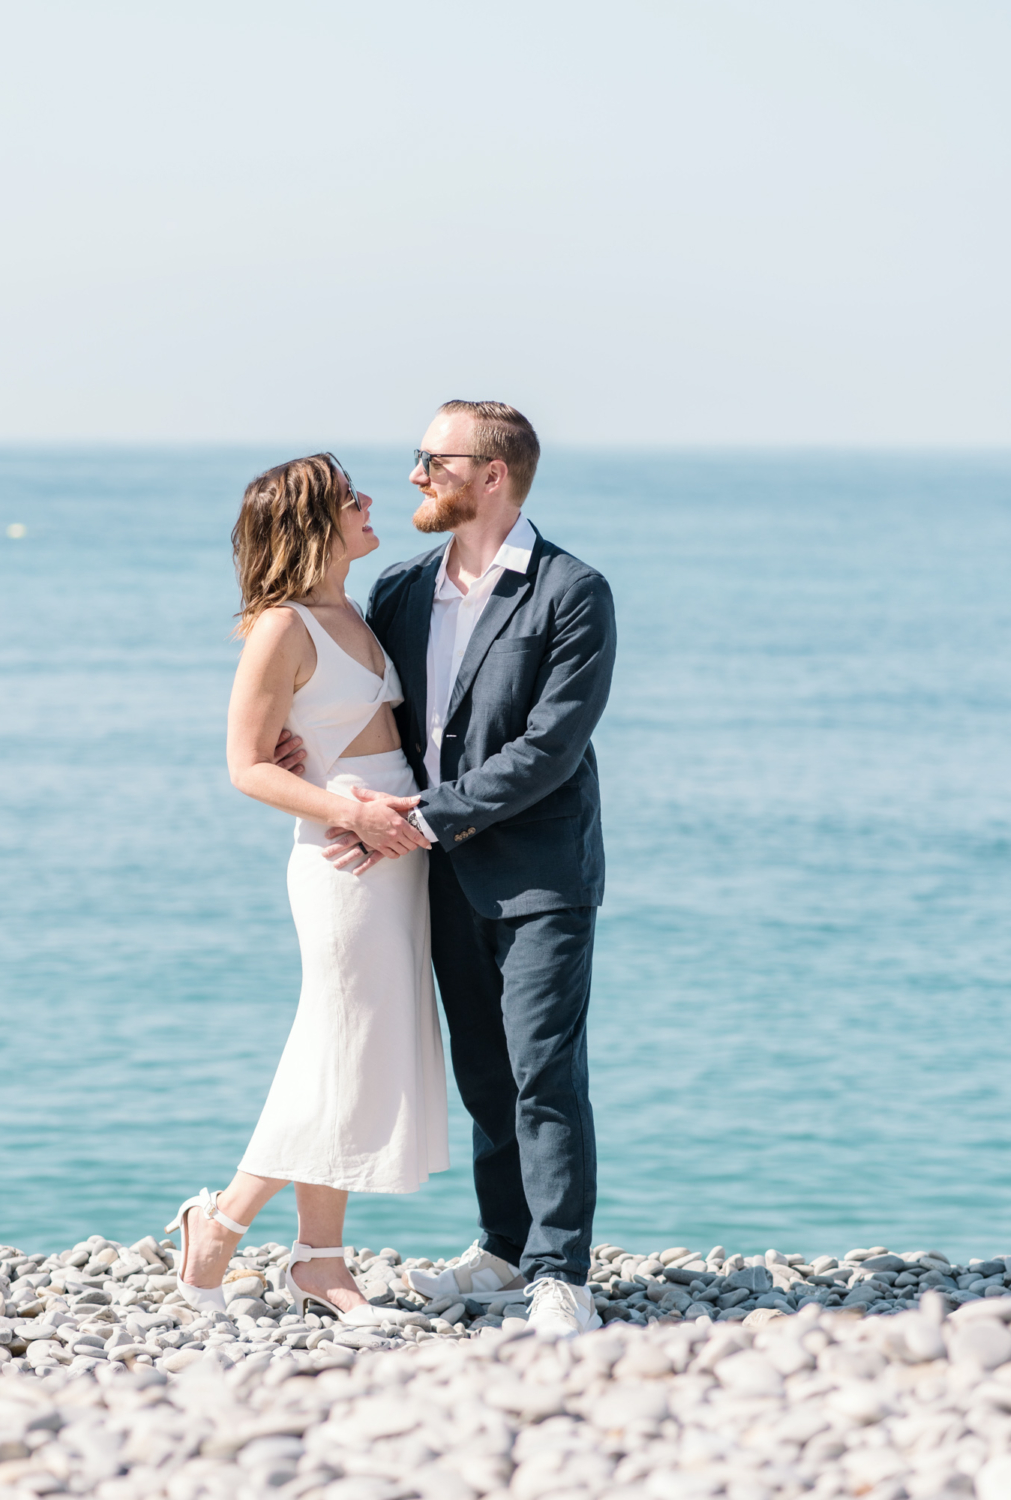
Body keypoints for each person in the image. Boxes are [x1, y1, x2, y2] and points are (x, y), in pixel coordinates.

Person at [318, 401, 617, 1338]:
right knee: (484, 1072)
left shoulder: (573, 591)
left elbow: (551, 749)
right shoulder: (401, 592)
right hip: (437, 873)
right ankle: (502, 1244)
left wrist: (422, 821)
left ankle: (561, 1271)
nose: (413, 475)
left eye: (429, 459)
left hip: (539, 875)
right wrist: (312, 765)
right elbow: (375, 715)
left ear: (492, 475)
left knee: (541, 1072)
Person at [167, 453, 448, 1324]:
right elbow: (246, 766)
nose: (373, 503)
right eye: (350, 498)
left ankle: (320, 1263)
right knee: (336, 1050)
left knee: (355, 1057)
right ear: (310, 524)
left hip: (396, 855)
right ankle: (217, 1227)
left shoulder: (353, 611)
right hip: (341, 863)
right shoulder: (281, 628)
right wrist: (345, 809)